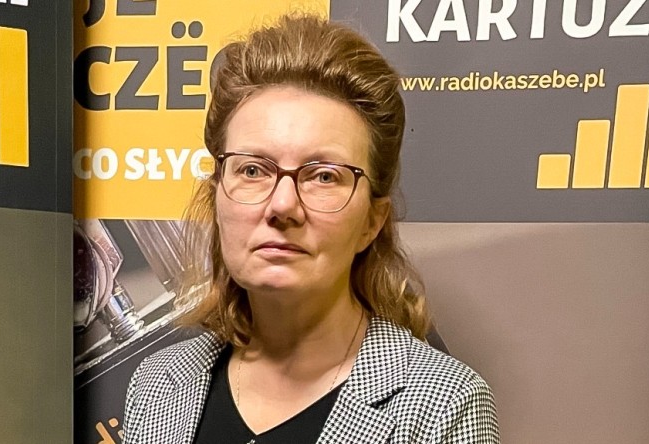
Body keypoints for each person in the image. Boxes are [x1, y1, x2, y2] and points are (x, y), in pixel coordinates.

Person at [123, 14, 499, 444]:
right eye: (252, 170)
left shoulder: (443, 406)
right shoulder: (158, 384)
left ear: (372, 221)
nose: (282, 205)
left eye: (323, 176)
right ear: (217, 196)